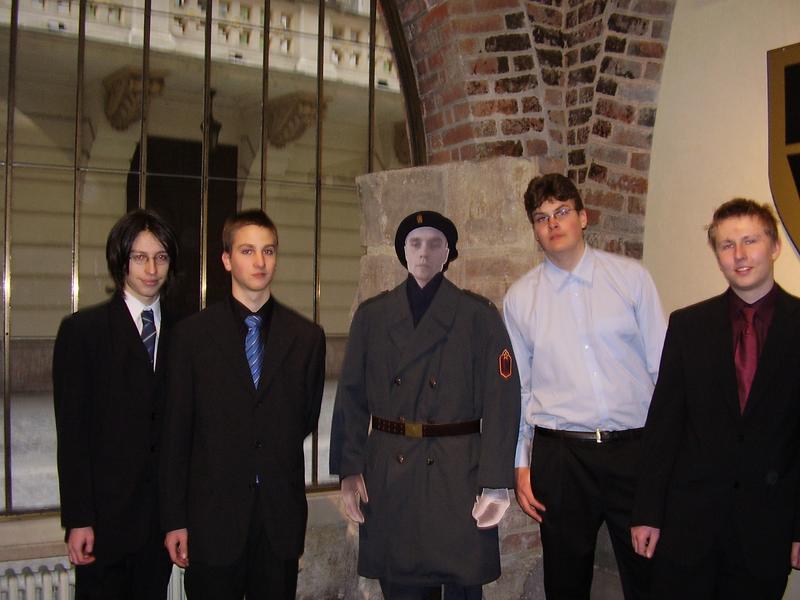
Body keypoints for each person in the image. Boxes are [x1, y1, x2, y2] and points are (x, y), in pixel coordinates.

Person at [330, 210, 520, 600]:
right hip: (391, 469)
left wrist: (496, 481)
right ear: (402, 251)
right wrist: (349, 468)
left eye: (435, 244)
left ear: (448, 253)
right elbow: (351, 396)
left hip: (457, 471)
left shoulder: (478, 316)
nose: (424, 252)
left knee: (460, 585)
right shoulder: (372, 316)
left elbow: (503, 401)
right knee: (400, 585)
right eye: (415, 243)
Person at [503, 173, 666, 599]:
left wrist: (668, 457)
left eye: (561, 212)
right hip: (562, 457)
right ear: (535, 229)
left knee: (650, 575)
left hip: (634, 449)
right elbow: (520, 389)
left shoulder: (631, 279)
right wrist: (521, 463)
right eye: (541, 218)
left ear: (583, 217)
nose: (553, 223)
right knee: (565, 582)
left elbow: (662, 372)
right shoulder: (520, 299)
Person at [631, 198, 800, 599]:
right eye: (727, 245)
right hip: (688, 527)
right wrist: (647, 512)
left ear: (774, 247)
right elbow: (664, 427)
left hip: (766, 530)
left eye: (750, 241)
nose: (739, 255)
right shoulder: (688, 326)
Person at [159, 209, 325, 600]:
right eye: (247, 251)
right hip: (212, 520)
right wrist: (174, 520)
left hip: (278, 521)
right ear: (226, 259)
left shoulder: (306, 338)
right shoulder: (191, 337)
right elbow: (176, 434)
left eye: (268, 251)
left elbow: (304, 418)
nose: (260, 261)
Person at [53, 208, 179, 600]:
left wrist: (179, 517)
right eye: (140, 257)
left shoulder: (186, 333)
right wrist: (78, 519)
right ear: (121, 260)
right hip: (104, 524)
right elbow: (72, 435)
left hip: (159, 525)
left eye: (160, 257)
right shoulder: (83, 332)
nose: (151, 269)